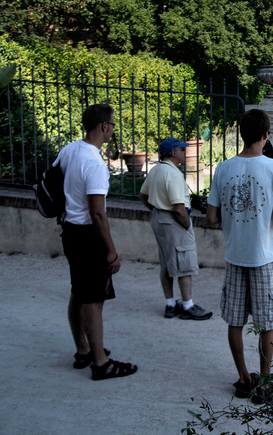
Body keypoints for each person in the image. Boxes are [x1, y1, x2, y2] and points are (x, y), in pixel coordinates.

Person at [206, 109, 273, 402]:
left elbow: (211, 217)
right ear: (266, 134)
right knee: (267, 322)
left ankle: (244, 378)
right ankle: (266, 383)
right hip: (265, 256)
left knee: (235, 320)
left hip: (235, 255)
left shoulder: (223, 168)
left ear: (241, 133)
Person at [55, 103, 137, 380]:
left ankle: (83, 350)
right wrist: (111, 252)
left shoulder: (69, 151)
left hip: (69, 230)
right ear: (104, 126)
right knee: (94, 299)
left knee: (78, 292)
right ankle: (100, 363)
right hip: (88, 236)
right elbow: (98, 213)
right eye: (112, 125)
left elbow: (56, 182)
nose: (113, 129)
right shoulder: (94, 163)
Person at [139, 138, 212, 321]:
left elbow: (142, 195)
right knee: (183, 262)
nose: (184, 152)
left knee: (166, 262)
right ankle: (187, 305)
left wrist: (157, 209)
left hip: (159, 218)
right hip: (174, 220)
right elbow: (179, 208)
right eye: (181, 150)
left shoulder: (156, 169)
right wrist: (187, 225)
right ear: (173, 153)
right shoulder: (173, 174)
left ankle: (170, 304)